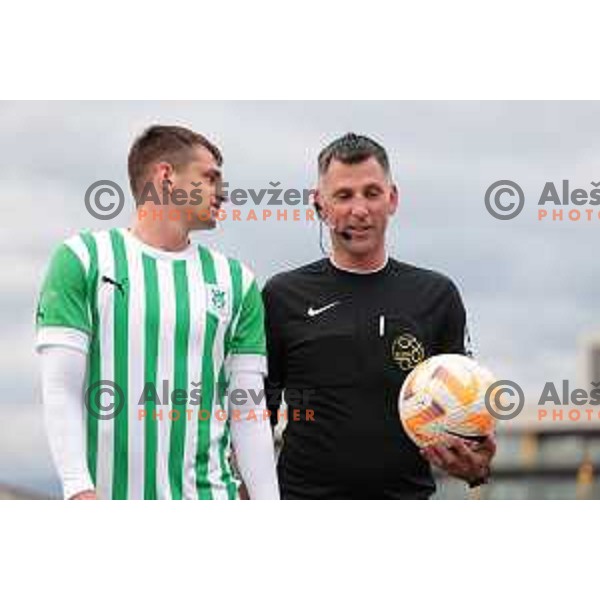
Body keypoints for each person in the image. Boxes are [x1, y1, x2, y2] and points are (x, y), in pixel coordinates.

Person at [35, 125, 279, 500]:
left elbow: (249, 411)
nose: (224, 192)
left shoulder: (236, 280)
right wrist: (77, 488)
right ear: (165, 176)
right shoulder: (83, 260)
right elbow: (60, 389)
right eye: (210, 178)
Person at [263, 133, 495, 499]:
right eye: (343, 195)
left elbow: (466, 411)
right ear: (320, 205)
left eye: (372, 193)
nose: (360, 209)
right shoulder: (282, 296)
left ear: (392, 199)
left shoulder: (436, 295)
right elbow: (259, 412)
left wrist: (477, 466)